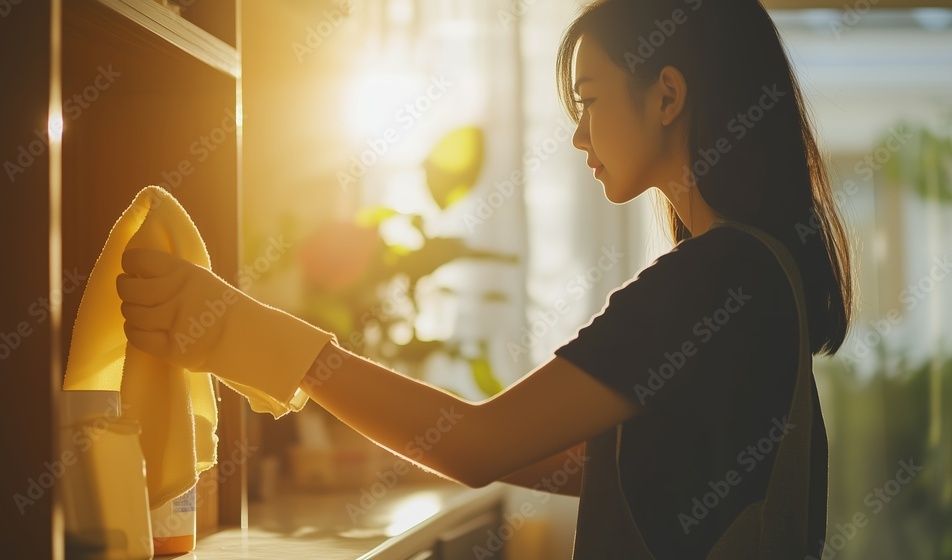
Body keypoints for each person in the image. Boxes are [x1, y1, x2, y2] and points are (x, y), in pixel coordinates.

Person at [116, 0, 854, 557]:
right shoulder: (760, 269)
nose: (577, 134)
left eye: (590, 99)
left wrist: (258, 339)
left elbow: (475, 445)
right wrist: (393, 442)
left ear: (666, 95)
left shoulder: (712, 276)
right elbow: (608, 468)